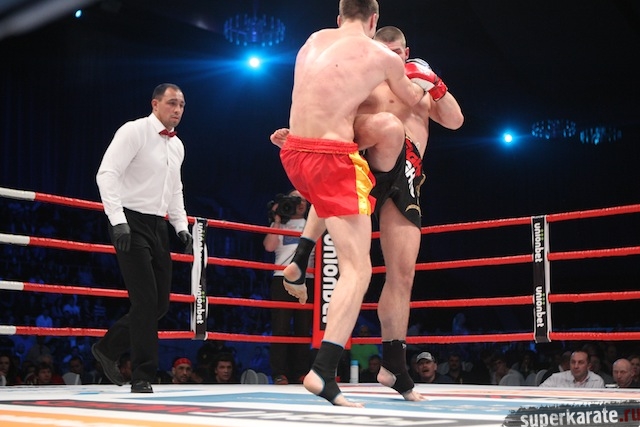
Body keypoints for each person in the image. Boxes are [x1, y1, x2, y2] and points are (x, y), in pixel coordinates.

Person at [271, 23, 463, 405]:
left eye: (396, 52)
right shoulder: (365, 81)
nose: (390, 57)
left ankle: (394, 366)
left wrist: (436, 83)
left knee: (402, 275)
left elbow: (456, 120)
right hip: (364, 162)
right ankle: (302, 254)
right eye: (384, 51)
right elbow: (329, 116)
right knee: (343, 180)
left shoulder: (418, 89)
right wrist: (301, 136)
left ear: (406, 54)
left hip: (406, 176)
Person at [94, 83, 193, 394]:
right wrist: (117, 220)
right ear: (155, 104)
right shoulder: (134, 131)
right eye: (172, 103)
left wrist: (180, 225)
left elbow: (175, 189)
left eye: (182, 105)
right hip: (129, 220)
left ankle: (107, 348)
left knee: (160, 304)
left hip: (158, 224)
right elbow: (107, 173)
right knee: (146, 301)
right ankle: (142, 374)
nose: (177, 109)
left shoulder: (177, 146)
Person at [263, 190, 314, 385]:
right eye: (295, 199)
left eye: (303, 200)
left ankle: (301, 372)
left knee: (303, 328)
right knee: (280, 327)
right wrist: (277, 219)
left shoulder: (313, 224)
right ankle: (279, 373)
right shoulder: (279, 225)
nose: (300, 203)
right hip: (281, 278)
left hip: (307, 278)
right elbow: (269, 247)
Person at [539, 350, 604, 388]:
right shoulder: (556, 378)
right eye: (573, 362)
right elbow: (538, 394)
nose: (576, 366)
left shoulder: (597, 381)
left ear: (589, 366)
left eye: (580, 362)